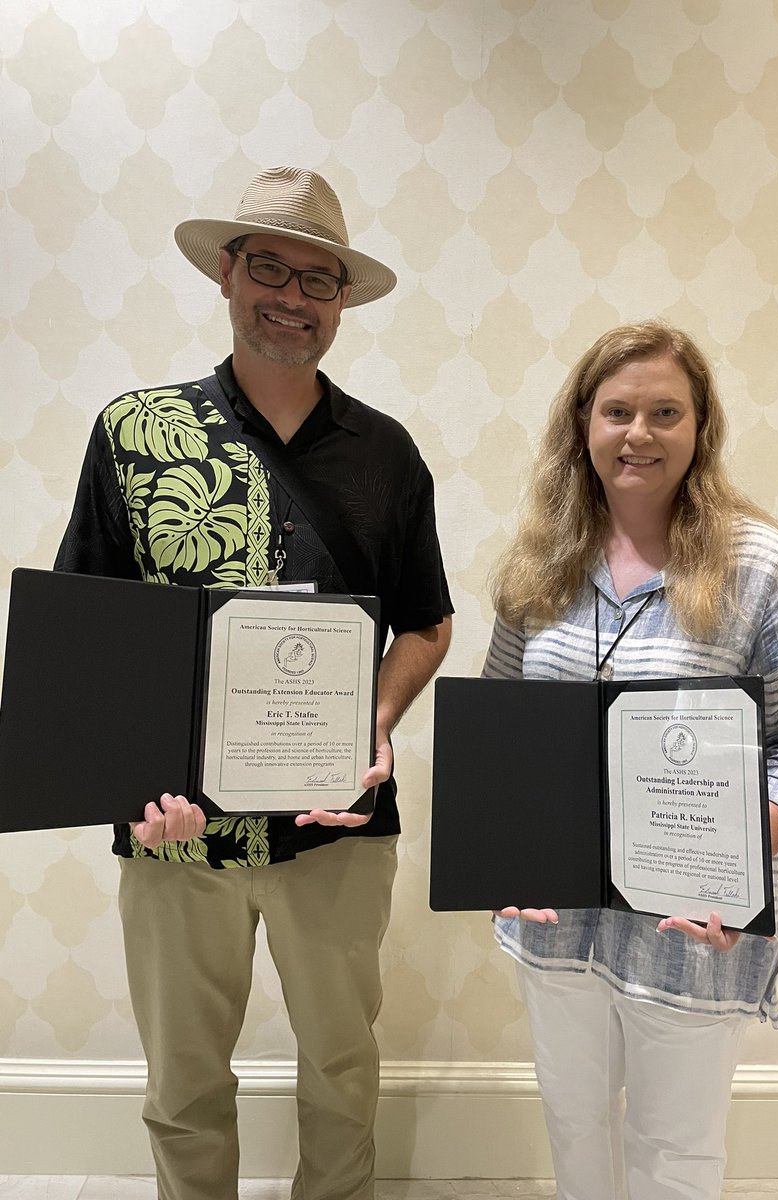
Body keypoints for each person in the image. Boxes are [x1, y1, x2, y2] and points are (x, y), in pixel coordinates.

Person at [54, 166, 453, 1200]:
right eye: (269, 267)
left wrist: (375, 714)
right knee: (183, 1084)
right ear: (226, 274)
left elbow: (429, 620)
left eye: (317, 279)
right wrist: (127, 791)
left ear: (341, 302)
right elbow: (86, 637)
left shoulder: (388, 454)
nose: (292, 295)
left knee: (340, 1072)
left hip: (339, 821)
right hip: (177, 834)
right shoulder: (137, 432)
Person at [482, 321, 778, 1200]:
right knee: (574, 1125)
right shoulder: (541, 557)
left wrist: (728, 869)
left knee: (675, 1152)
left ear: (700, 428)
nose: (638, 433)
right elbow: (501, 726)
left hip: (691, 930)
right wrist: (501, 850)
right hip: (555, 919)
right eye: (616, 411)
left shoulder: (763, 566)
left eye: (664, 412)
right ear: (582, 424)